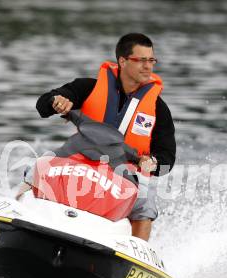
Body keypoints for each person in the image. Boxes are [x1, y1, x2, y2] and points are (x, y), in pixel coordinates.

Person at [35, 33, 176, 241]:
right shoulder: (88, 88)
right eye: (141, 60)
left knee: (146, 201)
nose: (148, 66)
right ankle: (15, 219)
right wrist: (57, 101)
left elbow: (167, 158)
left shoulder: (158, 109)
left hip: (124, 174)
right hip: (79, 160)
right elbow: (43, 105)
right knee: (37, 167)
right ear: (123, 61)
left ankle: (137, 254)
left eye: (151, 60)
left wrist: (152, 163)